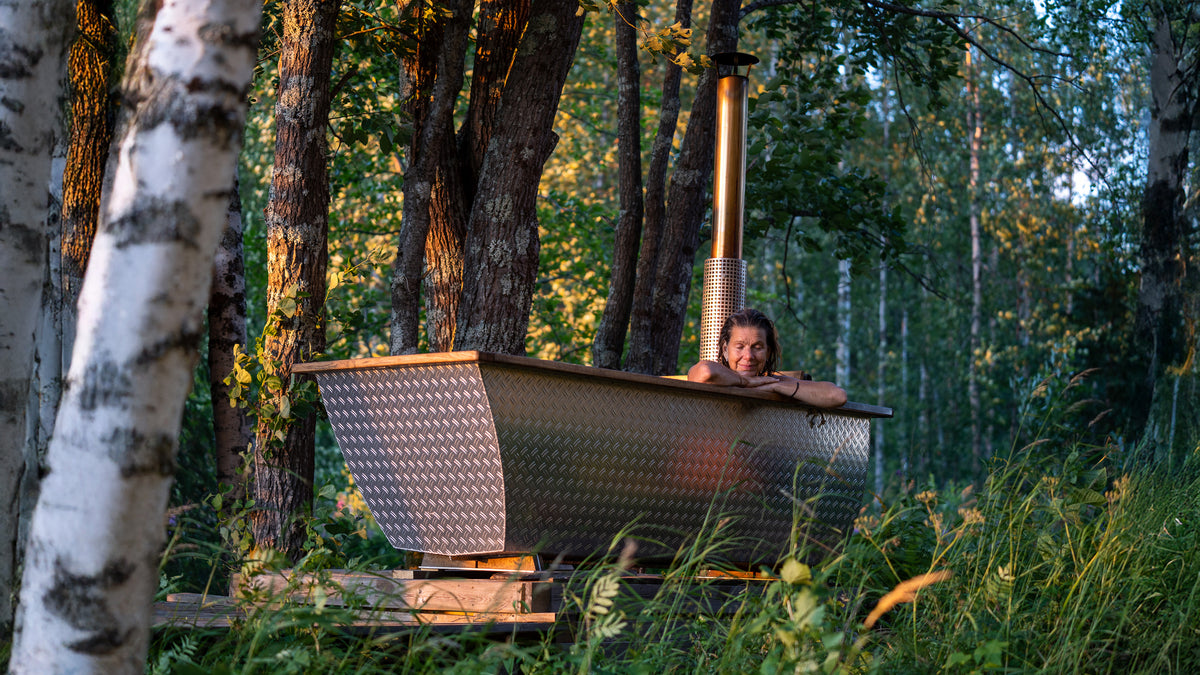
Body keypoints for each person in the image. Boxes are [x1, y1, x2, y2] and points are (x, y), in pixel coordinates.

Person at [687, 308, 848, 409]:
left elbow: (837, 396)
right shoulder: (715, 377)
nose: (748, 356)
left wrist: (775, 387)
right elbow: (705, 372)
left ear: (768, 351)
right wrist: (746, 383)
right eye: (740, 346)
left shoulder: (773, 381)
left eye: (757, 347)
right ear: (725, 349)